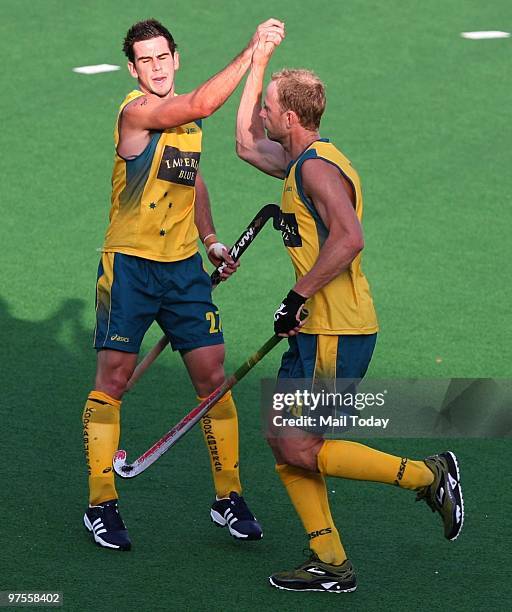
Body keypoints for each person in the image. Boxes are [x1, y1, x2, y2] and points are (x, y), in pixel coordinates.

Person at [235, 41, 464, 593]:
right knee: (281, 438)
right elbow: (245, 144)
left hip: (335, 328)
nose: (264, 114)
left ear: (290, 117)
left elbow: (350, 239)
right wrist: (256, 60)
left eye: (269, 107)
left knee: (298, 444)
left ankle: (430, 476)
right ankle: (330, 560)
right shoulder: (298, 161)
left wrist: (296, 296)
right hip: (316, 328)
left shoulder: (316, 172)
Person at [82, 17, 286, 551]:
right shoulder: (137, 112)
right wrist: (250, 53)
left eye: (161, 57)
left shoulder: (186, 129)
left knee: (212, 376)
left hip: (182, 271)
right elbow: (199, 105)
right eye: (144, 60)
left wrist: (212, 239)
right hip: (128, 268)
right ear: (133, 68)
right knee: (114, 380)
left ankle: (228, 497)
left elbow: (189, 178)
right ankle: (100, 502)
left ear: (175, 58)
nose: (154, 67)